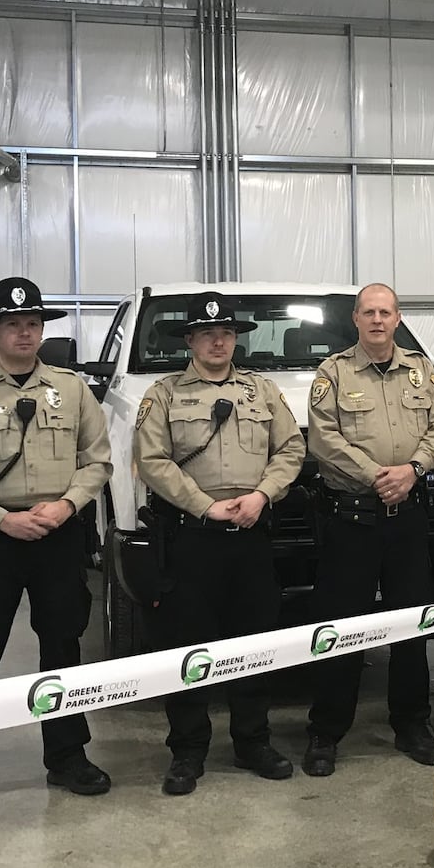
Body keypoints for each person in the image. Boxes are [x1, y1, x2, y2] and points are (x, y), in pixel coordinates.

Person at [0, 276, 114, 819]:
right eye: (13, 324)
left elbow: (97, 459)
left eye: (33, 323)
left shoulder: (73, 390)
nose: (25, 333)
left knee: (63, 646)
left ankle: (67, 756)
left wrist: (66, 507)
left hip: (57, 535)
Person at [133, 292, 306, 795]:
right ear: (189, 340)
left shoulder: (262, 391)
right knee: (186, 645)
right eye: (207, 333)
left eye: (226, 333)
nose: (217, 340)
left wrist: (262, 495)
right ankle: (188, 749)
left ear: (236, 339)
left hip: (251, 535)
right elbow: (153, 460)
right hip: (191, 537)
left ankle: (253, 741)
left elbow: (291, 447)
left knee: (254, 642)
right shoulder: (162, 395)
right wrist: (202, 505)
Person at [301, 284, 434, 777]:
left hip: (407, 517)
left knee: (412, 623)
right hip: (351, 519)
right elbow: (324, 438)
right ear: (356, 319)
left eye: (385, 312)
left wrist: (411, 469)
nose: (377, 320)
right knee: (342, 628)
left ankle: (412, 724)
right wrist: (377, 476)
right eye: (368, 312)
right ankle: (326, 731)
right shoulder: (333, 373)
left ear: (397, 318)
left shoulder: (421, 370)